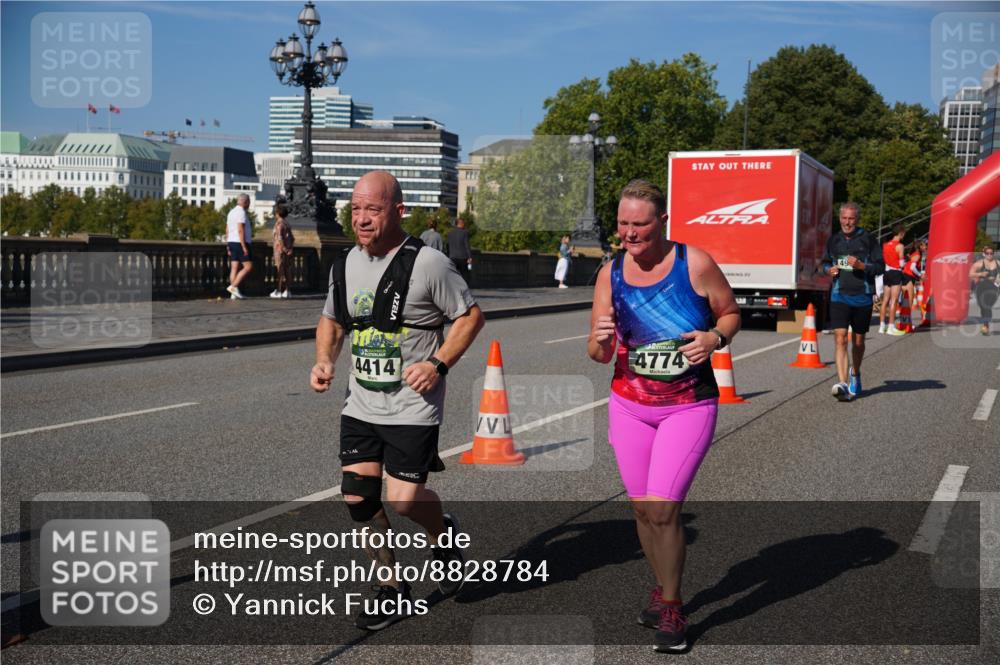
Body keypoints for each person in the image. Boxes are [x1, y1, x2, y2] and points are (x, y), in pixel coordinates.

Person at [311, 171, 485, 631]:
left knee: (404, 500)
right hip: (361, 403)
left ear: (397, 211)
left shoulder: (429, 263)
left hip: (412, 405)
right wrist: (325, 360)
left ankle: (442, 534)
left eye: (373, 209)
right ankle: (391, 587)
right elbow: (331, 321)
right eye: (355, 209)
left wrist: (439, 364)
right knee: (357, 497)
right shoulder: (345, 262)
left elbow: (470, 318)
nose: (362, 219)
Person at [588, 179, 740, 654]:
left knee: (663, 509)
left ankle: (672, 604)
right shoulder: (610, 272)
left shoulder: (692, 263)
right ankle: (660, 587)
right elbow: (596, 352)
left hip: (687, 404)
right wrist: (601, 338)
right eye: (623, 224)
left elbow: (731, 313)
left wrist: (715, 338)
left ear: (663, 222)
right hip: (629, 404)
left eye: (640, 225)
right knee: (639, 510)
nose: (630, 234)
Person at [821, 202, 883, 401]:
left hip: (862, 296)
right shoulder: (834, 239)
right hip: (839, 295)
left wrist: (862, 265)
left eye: (851, 219)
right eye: (844, 218)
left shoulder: (868, 239)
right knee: (840, 338)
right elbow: (824, 262)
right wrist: (828, 270)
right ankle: (843, 382)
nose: (847, 222)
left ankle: (855, 373)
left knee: (858, 342)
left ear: (857, 219)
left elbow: (880, 267)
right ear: (840, 218)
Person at [878, 224, 906, 335]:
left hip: (887, 272)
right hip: (896, 272)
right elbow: (901, 263)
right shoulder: (900, 246)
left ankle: (882, 326)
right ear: (901, 233)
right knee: (893, 300)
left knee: (885, 300)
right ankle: (891, 326)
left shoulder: (885, 245)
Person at [226, 193, 254, 299]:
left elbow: (227, 229)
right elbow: (240, 229)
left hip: (232, 242)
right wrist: (243, 246)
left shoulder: (231, 212)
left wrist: (228, 244)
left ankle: (234, 294)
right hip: (239, 242)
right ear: (245, 202)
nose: (249, 204)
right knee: (248, 267)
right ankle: (233, 287)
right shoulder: (241, 212)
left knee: (234, 267)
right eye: (249, 202)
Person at [969, 245, 999, 336]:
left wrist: (999, 278)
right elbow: (970, 274)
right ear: (984, 254)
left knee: (987, 305)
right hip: (981, 287)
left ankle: (985, 326)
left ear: (993, 254)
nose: (989, 255)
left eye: (991, 253)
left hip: (994, 287)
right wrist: (981, 273)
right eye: (987, 253)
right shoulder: (979, 264)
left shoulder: (998, 263)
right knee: (983, 306)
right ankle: (985, 324)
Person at [270, 203, 294, 298]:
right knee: (287, 270)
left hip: (279, 250)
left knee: (279, 269)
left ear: (278, 213)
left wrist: (283, 249)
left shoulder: (279, 224)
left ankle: (279, 291)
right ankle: (287, 291)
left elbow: (279, 238)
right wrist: (289, 249)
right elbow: (292, 238)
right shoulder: (287, 224)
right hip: (288, 250)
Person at [446, 217, 473, 283]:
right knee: (465, 276)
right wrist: (469, 257)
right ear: (461, 224)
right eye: (464, 223)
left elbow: (448, 245)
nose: (465, 225)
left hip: (452, 258)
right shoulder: (465, 233)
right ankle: (463, 290)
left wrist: (449, 256)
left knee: (453, 276)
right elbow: (467, 245)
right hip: (462, 258)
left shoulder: (450, 233)